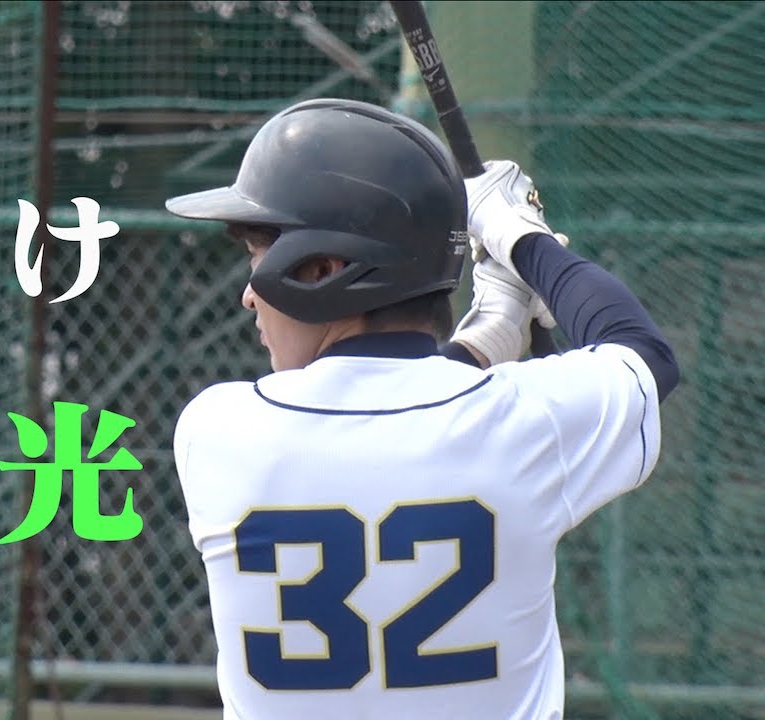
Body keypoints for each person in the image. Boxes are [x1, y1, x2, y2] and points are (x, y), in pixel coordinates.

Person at [164, 98, 679, 720]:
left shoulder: (217, 431)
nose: (250, 295)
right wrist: (520, 238)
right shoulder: (522, 422)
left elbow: (385, 432)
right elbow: (643, 353)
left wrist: (482, 342)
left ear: (320, 269)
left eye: (257, 259)